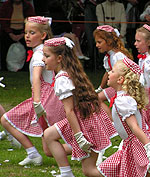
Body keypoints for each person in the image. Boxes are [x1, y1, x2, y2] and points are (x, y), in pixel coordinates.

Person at [42, 37, 116, 177]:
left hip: (84, 123)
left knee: (89, 170)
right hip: (85, 119)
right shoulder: (69, 72)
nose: (43, 60)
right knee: (49, 134)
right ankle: (66, 173)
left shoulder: (62, 79)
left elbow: (69, 110)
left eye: (46, 56)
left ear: (59, 58)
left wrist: (79, 136)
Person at [0, 16, 67, 166]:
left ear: (43, 35)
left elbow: (37, 78)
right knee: (49, 150)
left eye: (32, 33)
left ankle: (32, 153)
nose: (27, 36)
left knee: (6, 119)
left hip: (44, 99)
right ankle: (86, 149)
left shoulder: (39, 54)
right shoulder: (43, 52)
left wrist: (36, 101)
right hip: (46, 97)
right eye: (26, 33)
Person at [97, 58, 150, 176]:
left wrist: (148, 147)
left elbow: (134, 127)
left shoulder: (123, 101)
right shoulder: (124, 98)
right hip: (137, 141)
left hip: (139, 143)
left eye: (112, 71)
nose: (108, 73)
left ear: (120, 80)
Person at [93, 25, 137, 116]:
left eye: (99, 42)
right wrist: (100, 88)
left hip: (124, 87)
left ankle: (112, 122)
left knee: (97, 99)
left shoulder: (118, 56)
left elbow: (126, 73)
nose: (97, 45)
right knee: (97, 98)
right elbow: (107, 73)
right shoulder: (108, 57)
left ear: (108, 41)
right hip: (117, 85)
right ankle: (112, 121)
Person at [0, 0, 35, 71]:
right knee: (3, 49)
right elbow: (3, 21)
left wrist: (23, 33)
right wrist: (10, 33)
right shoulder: (6, 5)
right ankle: (4, 68)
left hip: (24, 31)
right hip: (8, 31)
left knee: (28, 48)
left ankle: (26, 68)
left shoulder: (27, 5)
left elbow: (30, 20)